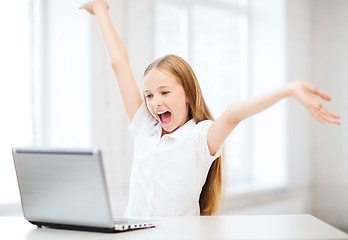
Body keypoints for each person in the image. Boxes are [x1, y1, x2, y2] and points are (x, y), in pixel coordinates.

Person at [79, 0, 340, 217]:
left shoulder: (200, 137)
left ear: (188, 96)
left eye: (165, 92)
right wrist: (100, 9)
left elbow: (234, 114)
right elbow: (119, 65)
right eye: (149, 95)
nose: (155, 102)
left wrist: (289, 90)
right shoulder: (145, 128)